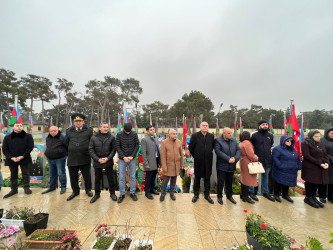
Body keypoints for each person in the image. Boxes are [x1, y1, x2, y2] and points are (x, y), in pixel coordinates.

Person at [65, 113, 94, 201]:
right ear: (73, 122)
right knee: (73, 176)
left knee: (86, 175)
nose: (78, 123)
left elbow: (92, 142)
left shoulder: (89, 130)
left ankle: (88, 190)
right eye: (76, 121)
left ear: (83, 122)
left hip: (84, 156)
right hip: (72, 157)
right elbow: (66, 143)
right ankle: (75, 191)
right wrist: (71, 149)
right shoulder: (69, 131)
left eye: (80, 121)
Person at [2, 122, 34, 198]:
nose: (19, 127)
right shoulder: (7, 137)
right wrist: (11, 157)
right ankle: (14, 189)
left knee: (25, 173)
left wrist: (22, 156)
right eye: (17, 126)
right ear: (13, 127)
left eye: (21, 126)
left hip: (24, 158)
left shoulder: (28, 136)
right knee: (13, 175)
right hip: (12, 159)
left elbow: (30, 147)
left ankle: (26, 187)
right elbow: (4, 149)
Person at [89, 122, 117, 203]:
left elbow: (113, 149)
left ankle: (112, 193)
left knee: (110, 178)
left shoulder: (111, 137)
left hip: (108, 162)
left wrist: (108, 158)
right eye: (104, 127)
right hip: (98, 162)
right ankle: (97, 194)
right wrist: (97, 159)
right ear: (100, 128)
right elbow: (91, 149)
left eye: (107, 127)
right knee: (97, 179)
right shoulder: (93, 137)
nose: (106, 128)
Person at [301, 130, 329, 208]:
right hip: (310, 167)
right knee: (310, 182)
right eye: (316, 136)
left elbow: (325, 154)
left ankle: (313, 197)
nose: (318, 138)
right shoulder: (305, 143)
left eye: (319, 136)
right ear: (311, 136)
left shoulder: (320, 143)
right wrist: (319, 163)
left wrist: (327, 163)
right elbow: (307, 156)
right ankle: (308, 198)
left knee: (316, 182)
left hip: (319, 167)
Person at [189, 121, 215, 204]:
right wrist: (196, 155)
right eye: (203, 125)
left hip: (208, 161)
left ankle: (207, 195)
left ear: (208, 127)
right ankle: (196, 195)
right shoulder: (195, 136)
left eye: (206, 125)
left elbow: (212, 147)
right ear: (200, 127)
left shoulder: (211, 136)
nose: (205, 127)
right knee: (197, 178)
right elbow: (191, 148)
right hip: (198, 161)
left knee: (207, 178)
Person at [214, 127, 241, 205]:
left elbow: (238, 150)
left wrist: (235, 158)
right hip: (222, 166)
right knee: (221, 182)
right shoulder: (218, 141)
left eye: (231, 133)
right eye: (229, 133)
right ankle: (219, 197)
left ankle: (229, 196)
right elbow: (218, 151)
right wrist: (228, 159)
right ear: (224, 134)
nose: (230, 134)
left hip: (232, 166)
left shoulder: (234, 140)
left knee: (229, 182)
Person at [272, 136, 302, 203]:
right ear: (283, 141)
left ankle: (285, 195)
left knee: (287, 183)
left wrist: (299, 166)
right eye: (287, 141)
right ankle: (276, 195)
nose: (289, 142)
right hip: (281, 170)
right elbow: (275, 158)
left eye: (290, 141)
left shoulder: (293, 150)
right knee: (278, 182)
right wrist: (281, 166)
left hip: (291, 170)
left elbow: (297, 159)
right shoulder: (277, 149)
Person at [250, 120, 275, 202]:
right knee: (253, 176)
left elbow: (270, 145)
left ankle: (266, 192)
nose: (265, 126)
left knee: (265, 177)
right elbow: (251, 147)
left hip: (267, 159)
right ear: (259, 125)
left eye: (266, 124)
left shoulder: (270, 135)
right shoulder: (254, 135)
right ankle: (251, 192)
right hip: (256, 160)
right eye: (263, 124)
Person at [116, 123, 139, 203]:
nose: (128, 133)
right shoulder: (119, 134)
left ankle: (132, 193)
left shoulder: (134, 134)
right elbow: (117, 146)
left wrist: (132, 156)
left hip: (132, 158)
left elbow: (137, 145)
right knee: (121, 177)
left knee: (132, 176)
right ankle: (122, 194)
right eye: (127, 132)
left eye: (129, 132)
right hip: (122, 159)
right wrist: (123, 157)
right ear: (124, 130)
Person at [160, 129, 184, 201]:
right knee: (165, 181)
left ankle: (172, 193)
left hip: (176, 165)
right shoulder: (164, 143)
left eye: (176, 134)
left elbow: (181, 154)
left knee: (174, 180)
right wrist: (164, 166)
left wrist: (182, 164)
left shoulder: (179, 142)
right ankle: (163, 194)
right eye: (173, 134)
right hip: (168, 165)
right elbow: (163, 156)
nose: (175, 135)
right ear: (169, 135)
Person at [42, 126, 67, 195]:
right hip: (50, 159)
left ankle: (63, 187)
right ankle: (52, 187)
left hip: (60, 159)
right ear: (49, 132)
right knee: (52, 174)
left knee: (61, 173)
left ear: (58, 131)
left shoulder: (62, 138)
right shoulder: (48, 138)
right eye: (51, 131)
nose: (53, 132)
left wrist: (62, 153)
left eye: (55, 131)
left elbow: (67, 147)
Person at [141, 125, 161, 200]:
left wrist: (159, 161)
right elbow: (143, 153)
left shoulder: (155, 138)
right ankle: (147, 192)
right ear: (147, 131)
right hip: (149, 161)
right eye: (151, 130)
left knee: (153, 176)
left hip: (156, 160)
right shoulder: (144, 140)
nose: (153, 131)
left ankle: (152, 189)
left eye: (153, 129)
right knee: (148, 177)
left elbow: (157, 150)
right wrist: (146, 163)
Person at [239, 131, 259, 204]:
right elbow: (251, 155)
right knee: (247, 180)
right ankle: (246, 196)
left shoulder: (241, 142)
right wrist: (256, 158)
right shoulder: (247, 143)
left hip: (243, 161)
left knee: (243, 179)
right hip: (248, 162)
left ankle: (243, 195)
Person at [321, 127, 333, 203]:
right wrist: (331, 158)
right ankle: (322, 196)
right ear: (327, 133)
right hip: (326, 164)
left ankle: (331, 197)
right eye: (331, 133)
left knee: (332, 182)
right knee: (324, 181)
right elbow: (321, 152)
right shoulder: (322, 141)